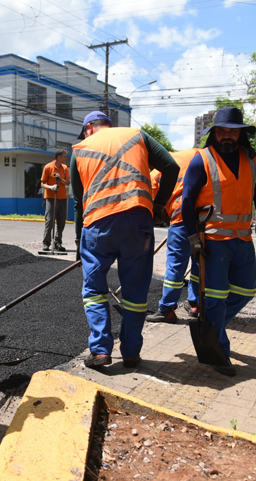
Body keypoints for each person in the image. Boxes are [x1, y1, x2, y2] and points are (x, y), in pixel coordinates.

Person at [71, 111, 179, 369]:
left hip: (98, 225)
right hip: (137, 221)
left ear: (88, 128)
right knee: (135, 290)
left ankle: (100, 351)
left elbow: (78, 202)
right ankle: (130, 353)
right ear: (108, 125)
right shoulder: (136, 135)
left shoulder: (80, 149)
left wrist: (78, 243)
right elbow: (171, 167)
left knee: (94, 290)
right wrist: (159, 205)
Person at [181, 107, 256, 377]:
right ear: (214, 133)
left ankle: (213, 325)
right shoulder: (202, 160)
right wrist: (192, 237)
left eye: (232, 132)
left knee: (247, 289)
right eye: (221, 131)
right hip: (213, 242)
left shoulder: (252, 160)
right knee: (215, 297)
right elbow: (187, 201)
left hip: (242, 239)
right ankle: (219, 353)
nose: (226, 136)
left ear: (241, 134)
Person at [146, 148, 201, 323]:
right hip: (206, 218)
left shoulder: (157, 171)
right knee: (199, 263)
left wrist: (159, 218)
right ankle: (196, 305)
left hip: (181, 218)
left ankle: (167, 309)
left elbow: (152, 206)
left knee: (175, 265)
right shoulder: (197, 154)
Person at [41, 150, 70, 251]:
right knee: (50, 221)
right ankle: (46, 243)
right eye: (64, 156)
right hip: (51, 199)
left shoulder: (65, 168)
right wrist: (51, 187)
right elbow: (42, 184)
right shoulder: (48, 167)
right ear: (59, 157)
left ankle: (58, 243)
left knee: (61, 222)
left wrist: (60, 179)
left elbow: (67, 183)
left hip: (62, 199)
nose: (66, 158)